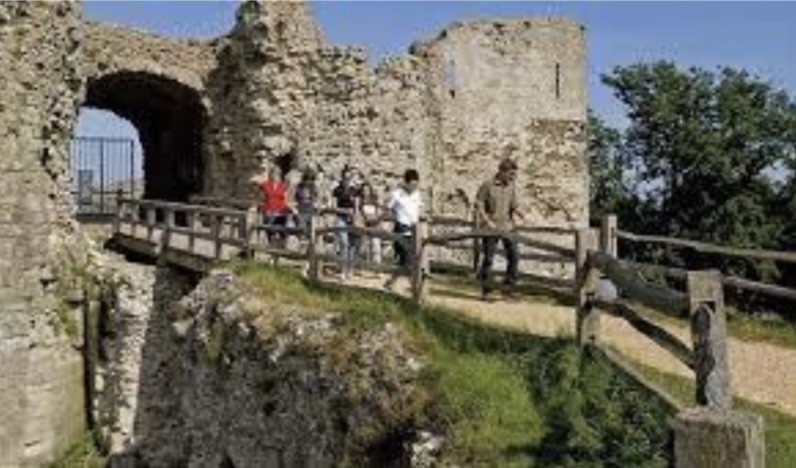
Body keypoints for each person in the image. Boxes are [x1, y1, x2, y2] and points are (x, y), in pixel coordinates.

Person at [476, 158, 523, 300]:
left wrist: (521, 214)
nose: (513, 177)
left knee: (514, 256)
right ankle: (487, 290)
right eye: (511, 174)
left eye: (514, 174)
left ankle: (508, 289)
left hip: (508, 227)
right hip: (491, 227)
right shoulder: (487, 185)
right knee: (489, 259)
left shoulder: (511, 186)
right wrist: (487, 221)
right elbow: (479, 205)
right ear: (502, 171)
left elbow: (514, 206)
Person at [384, 169, 423, 291]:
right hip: (401, 229)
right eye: (411, 184)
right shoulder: (397, 194)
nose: (414, 187)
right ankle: (414, 285)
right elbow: (387, 207)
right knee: (408, 258)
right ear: (406, 182)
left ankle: (391, 282)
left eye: (416, 184)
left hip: (414, 230)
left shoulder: (417, 194)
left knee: (405, 261)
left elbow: (419, 209)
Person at [331, 165, 361, 280]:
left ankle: (350, 269)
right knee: (344, 243)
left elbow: (357, 207)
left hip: (352, 219)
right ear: (343, 176)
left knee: (352, 245)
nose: (349, 176)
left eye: (351, 174)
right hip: (340, 218)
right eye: (347, 174)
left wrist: (355, 216)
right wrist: (345, 211)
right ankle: (343, 270)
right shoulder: (337, 190)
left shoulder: (355, 190)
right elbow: (334, 207)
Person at [256, 166, 290, 248]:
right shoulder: (265, 185)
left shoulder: (283, 186)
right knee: (269, 220)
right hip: (268, 211)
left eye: (277, 174)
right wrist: (259, 207)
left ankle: (282, 244)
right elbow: (261, 199)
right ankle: (272, 243)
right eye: (274, 173)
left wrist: (289, 208)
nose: (276, 175)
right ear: (270, 174)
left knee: (285, 221)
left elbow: (286, 200)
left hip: (280, 212)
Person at [359, 181, 383, 267]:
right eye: (364, 190)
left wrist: (376, 219)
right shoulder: (360, 201)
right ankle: (363, 266)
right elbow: (359, 214)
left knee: (376, 246)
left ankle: (377, 268)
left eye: (367, 190)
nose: (365, 192)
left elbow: (379, 211)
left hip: (375, 225)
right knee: (364, 247)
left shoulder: (374, 200)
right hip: (365, 225)